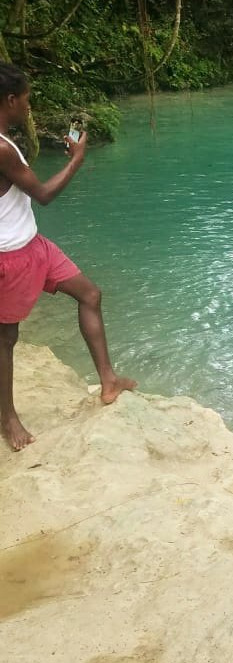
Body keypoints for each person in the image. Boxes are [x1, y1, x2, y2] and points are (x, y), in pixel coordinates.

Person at [0, 62, 136, 451]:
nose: (29, 104)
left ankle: (108, 380)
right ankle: (8, 418)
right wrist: (77, 158)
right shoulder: (1, 149)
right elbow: (42, 194)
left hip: (33, 245)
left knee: (90, 294)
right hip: (10, 256)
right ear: (10, 99)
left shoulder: (5, 143)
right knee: (6, 338)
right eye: (26, 98)